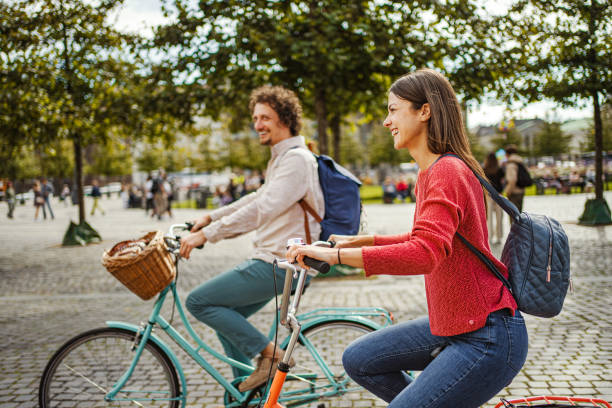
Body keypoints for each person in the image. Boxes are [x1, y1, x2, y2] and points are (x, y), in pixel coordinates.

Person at [287, 69, 528, 408]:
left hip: (485, 336)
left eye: (393, 109)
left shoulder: (447, 171)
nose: (387, 121)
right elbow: (427, 239)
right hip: (458, 324)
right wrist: (360, 242)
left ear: (424, 111)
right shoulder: (431, 172)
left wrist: (335, 257)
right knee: (360, 359)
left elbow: (424, 253)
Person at [179, 85, 324, 392]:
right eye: (255, 117)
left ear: (284, 119)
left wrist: (207, 235)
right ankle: (245, 392)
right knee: (226, 319)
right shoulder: (282, 158)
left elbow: (262, 208)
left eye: (265, 118)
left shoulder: (296, 159)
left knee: (200, 301)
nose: (257, 124)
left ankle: (271, 356)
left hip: (280, 263)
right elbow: (259, 196)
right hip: (276, 260)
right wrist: (211, 217)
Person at [483, 152, 505, 245]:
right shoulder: (499, 169)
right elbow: (503, 181)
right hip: (498, 194)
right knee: (499, 217)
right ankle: (499, 237)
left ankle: (490, 237)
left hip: (488, 195)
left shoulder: (484, 169)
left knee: (489, 218)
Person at [503, 144, 526, 214]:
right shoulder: (520, 162)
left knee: (513, 217)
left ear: (507, 154)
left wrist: (507, 192)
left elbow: (512, 180)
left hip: (514, 192)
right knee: (519, 215)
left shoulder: (511, 164)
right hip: (521, 190)